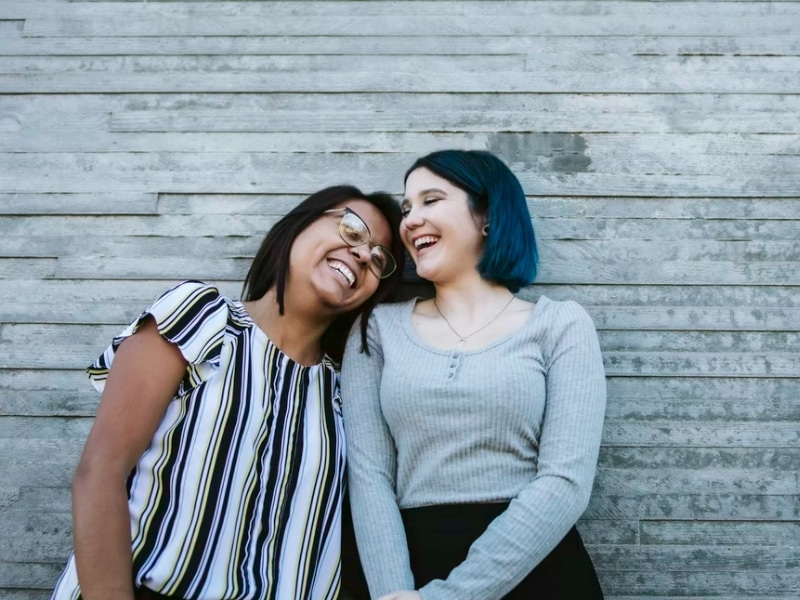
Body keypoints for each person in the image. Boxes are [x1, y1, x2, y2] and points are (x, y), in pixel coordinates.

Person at [50, 185, 405, 600]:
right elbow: (100, 472)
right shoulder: (205, 320)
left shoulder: (347, 392)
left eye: (379, 259)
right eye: (351, 229)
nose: (364, 255)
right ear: (298, 226)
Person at [341, 150, 607, 600]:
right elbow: (368, 477)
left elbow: (565, 481)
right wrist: (393, 594)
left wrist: (450, 597)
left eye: (431, 200)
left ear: (486, 215)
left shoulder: (560, 324)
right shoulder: (376, 330)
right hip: (410, 573)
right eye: (407, 208)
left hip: (538, 571)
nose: (409, 220)